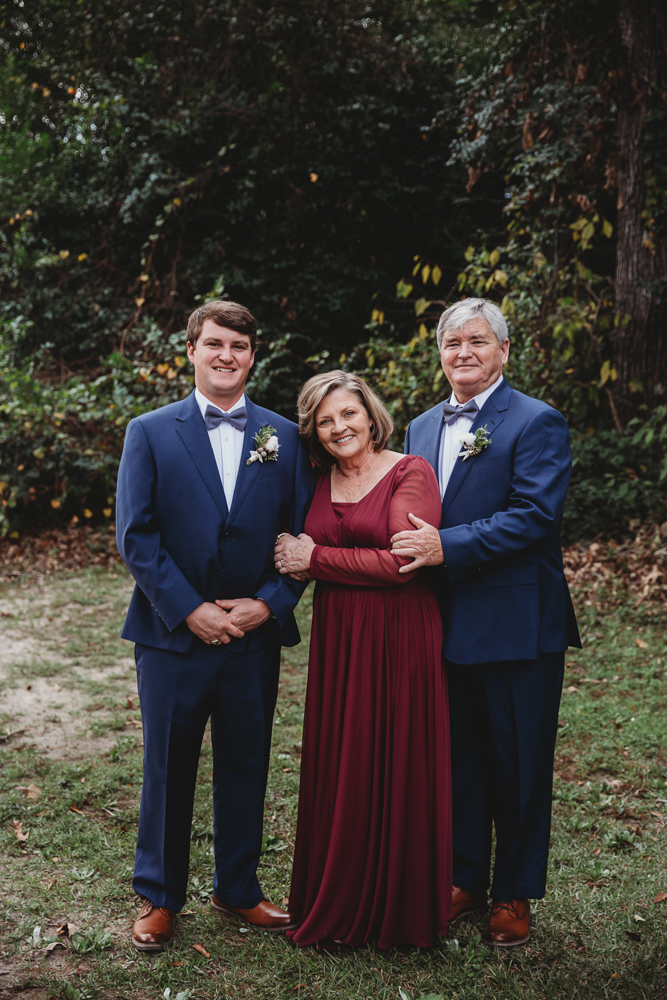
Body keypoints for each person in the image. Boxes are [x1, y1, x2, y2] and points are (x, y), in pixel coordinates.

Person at [116, 300, 314, 951]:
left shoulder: (284, 437)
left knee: (245, 761)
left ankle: (237, 888)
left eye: (238, 345)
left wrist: (270, 602)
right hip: (172, 634)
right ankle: (158, 895)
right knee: (168, 766)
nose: (226, 355)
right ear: (192, 351)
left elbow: (304, 535)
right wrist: (189, 608)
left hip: (253, 636)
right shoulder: (149, 430)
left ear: (253, 355)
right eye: (214, 344)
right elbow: (136, 536)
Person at [391, 297, 581, 947]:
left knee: (518, 761)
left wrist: (449, 547)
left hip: (515, 620)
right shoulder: (418, 428)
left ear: (503, 350)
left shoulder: (536, 421)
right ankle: (465, 876)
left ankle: (513, 891)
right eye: (451, 342)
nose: (463, 352)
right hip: (439, 621)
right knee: (458, 756)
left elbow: (534, 516)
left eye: (477, 341)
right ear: (438, 353)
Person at [275, 371, 451, 950]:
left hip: (400, 633)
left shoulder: (410, 471)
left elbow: (403, 563)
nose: (339, 427)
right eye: (325, 421)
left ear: (370, 415)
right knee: (343, 755)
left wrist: (315, 557)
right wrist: (297, 559)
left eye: (348, 414)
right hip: (340, 635)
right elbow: (295, 553)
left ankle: (395, 907)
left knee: (395, 755)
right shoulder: (319, 479)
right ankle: (339, 894)